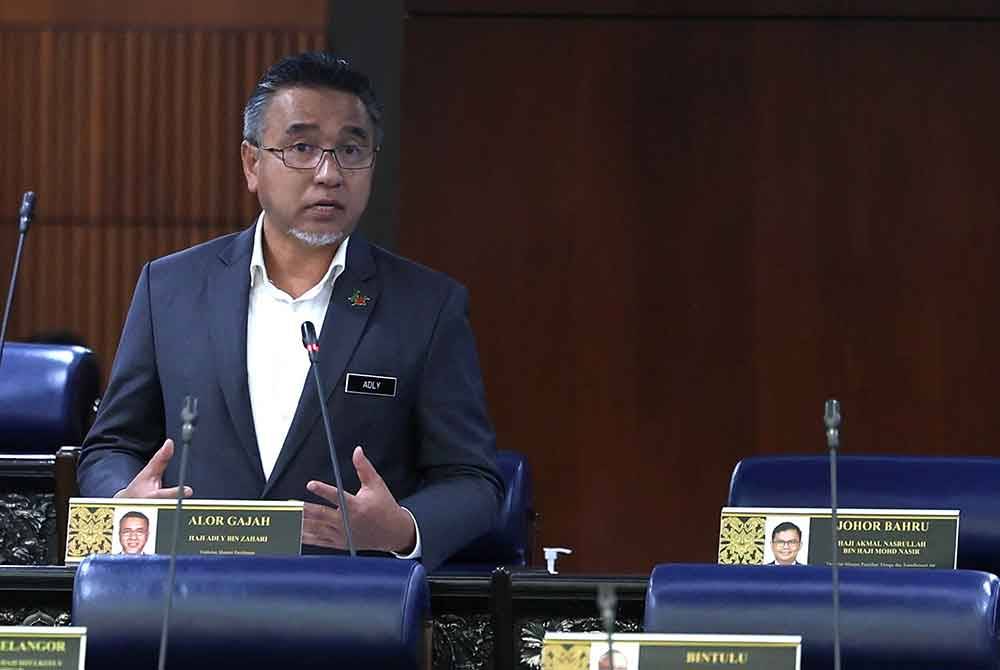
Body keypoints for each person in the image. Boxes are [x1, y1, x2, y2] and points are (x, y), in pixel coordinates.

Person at [77, 52, 503, 571]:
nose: (329, 173)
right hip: (185, 596)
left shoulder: (428, 306)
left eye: (351, 149)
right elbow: (111, 445)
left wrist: (403, 528)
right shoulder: (169, 288)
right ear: (252, 164)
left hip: (345, 610)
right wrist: (125, 501)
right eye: (302, 147)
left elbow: (473, 480)